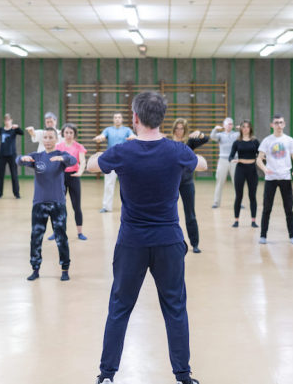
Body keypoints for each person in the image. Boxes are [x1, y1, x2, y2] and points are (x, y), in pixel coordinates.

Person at [87, 91, 206, 384]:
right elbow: (200, 164)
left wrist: (114, 150)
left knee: (120, 307)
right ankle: (183, 375)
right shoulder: (177, 151)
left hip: (132, 243)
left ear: (135, 118)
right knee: (175, 308)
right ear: (162, 119)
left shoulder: (123, 152)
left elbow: (92, 164)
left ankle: (106, 375)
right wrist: (186, 150)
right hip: (168, 242)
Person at [18, 127, 77, 281]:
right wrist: (22, 159)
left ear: (56, 140)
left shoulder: (60, 155)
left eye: (51, 137)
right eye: (45, 137)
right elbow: (20, 160)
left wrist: (62, 159)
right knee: (36, 237)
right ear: (42, 140)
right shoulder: (37, 157)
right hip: (39, 204)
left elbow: (73, 160)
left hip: (58, 204)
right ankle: (35, 269)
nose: (48, 140)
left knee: (61, 237)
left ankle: (65, 269)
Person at [256, 114, 293, 244]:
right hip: (270, 178)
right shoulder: (267, 140)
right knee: (267, 208)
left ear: (284, 124)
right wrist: (265, 170)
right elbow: (259, 159)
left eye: (281, 122)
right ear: (272, 125)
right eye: (276, 123)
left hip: (285, 178)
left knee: (288, 208)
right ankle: (263, 235)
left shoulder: (289, 140)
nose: (279, 125)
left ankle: (292, 236)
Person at [172, 118, 208, 254]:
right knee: (170, 213)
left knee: (190, 214)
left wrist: (200, 134)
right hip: (172, 182)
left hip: (187, 182)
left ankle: (195, 243)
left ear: (185, 130)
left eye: (182, 128)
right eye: (177, 128)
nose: (179, 131)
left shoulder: (189, 142)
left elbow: (206, 139)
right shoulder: (169, 143)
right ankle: (173, 242)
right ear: (174, 129)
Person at [92, 112, 135, 213]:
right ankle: (106, 207)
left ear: (122, 119)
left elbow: (133, 136)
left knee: (128, 184)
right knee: (108, 184)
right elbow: (102, 136)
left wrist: (133, 137)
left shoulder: (127, 130)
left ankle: (131, 206)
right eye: (115, 117)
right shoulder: (108, 130)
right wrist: (99, 138)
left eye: (119, 117)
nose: (117, 119)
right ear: (113, 119)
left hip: (124, 160)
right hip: (111, 160)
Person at [55, 123, 88, 240]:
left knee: (76, 206)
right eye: (66, 132)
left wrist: (80, 172)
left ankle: (80, 232)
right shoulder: (58, 147)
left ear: (74, 134)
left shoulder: (79, 146)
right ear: (63, 133)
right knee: (59, 206)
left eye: (71, 133)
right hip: (61, 178)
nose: (68, 135)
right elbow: (54, 161)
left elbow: (82, 161)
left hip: (74, 177)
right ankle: (57, 232)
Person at [229, 120, 259, 228]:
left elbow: (260, 154)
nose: (245, 128)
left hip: (252, 170)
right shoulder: (237, 142)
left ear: (250, 128)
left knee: (252, 196)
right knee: (239, 196)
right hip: (240, 169)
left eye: (247, 126)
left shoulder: (255, 141)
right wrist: (233, 160)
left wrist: (262, 158)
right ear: (241, 128)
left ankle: (253, 220)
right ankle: (236, 220)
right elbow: (231, 156)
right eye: (243, 127)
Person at [0, 113, 23, 199]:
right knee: (1, 175)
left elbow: (22, 133)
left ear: (11, 120)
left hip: (12, 155)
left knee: (14, 174)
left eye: (8, 120)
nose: (7, 121)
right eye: (5, 120)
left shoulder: (14, 130)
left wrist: (17, 127)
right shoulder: (1, 130)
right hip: (2, 155)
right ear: (4, 121)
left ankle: (17, 194)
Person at [210, 118, 239, 208]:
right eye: (227, 124)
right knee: (220, 182)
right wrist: (215, 129)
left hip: (234, 160)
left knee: (237, 182)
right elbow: (212, 137)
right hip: (223, 160)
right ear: (223, 125)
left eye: (231, 124)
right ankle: (216, 202)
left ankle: (239, 202)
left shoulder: (236, 134)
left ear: (233, 125)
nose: (229, 125)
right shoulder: (220, 135)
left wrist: (241, 128)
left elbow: (247, 135)